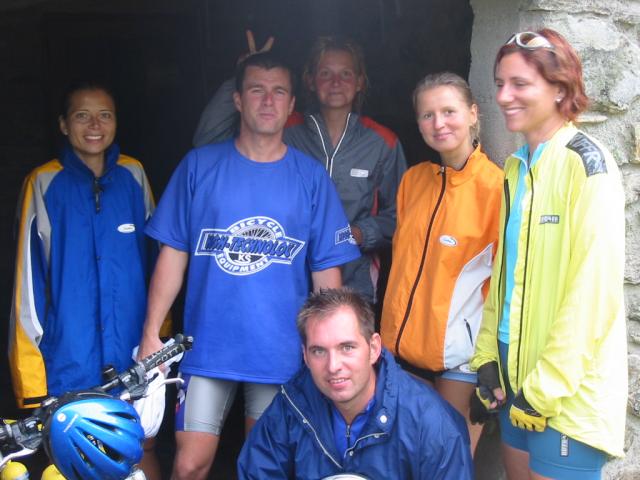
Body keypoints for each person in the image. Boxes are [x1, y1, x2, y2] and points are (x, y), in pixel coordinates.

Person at [137, 52, 360, 480]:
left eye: (279, 92)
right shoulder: (199, 166)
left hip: (280, 351)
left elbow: (326, 274)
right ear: (238, 99)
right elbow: (173, 255)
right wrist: (150, 334)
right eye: (257, 90)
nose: (268, 101)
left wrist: (328, 346)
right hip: (207, 348)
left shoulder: (311, 178)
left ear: (292, 103)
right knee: (189, 464)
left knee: (266, 470)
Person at [470, 29, 627, 479]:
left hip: (562, 390)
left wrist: (543, 390)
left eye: (520, 84)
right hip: (513, 374)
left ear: (560, 89)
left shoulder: (586, 164)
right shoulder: (517, 167)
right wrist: (487, 357)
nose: (504, 96)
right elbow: (506, 274)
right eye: (500, 83)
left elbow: (593, 294)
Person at [7, 82, 167, 478]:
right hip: (69, 359)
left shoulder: (133, 175)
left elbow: (160, 265)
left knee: (137, 450)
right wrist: (31, 380)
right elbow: (26, 288)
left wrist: (160, 343)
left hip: (132, 354)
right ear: (64, 124)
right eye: (82, 115)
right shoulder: (43, 183)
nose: (94, 125)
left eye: (104, 115)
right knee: (73, 464)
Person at [193, 31, 407, 303]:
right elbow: (207, 140)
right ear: (310, 80)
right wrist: (243, 74)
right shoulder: (285, 127)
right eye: (325, 73)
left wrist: (360, 233)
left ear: (360, 82)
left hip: (353, 282)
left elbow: (402, 215)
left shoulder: (382, 142)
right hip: (279, 276)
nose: (336, 82)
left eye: (346, 74)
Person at [380, 72, 503, 453]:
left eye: (449, 111)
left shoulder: (497, 188)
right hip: (402, 355)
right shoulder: (413, 180)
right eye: (427, 115)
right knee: (402, 463)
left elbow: (505, 284)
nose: (439, 123)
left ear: (473, 113)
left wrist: (494, 361)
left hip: (460, 361)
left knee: (448, 463)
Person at [237, 288, 474, 479]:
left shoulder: (432, 422)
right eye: (319, 351)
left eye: (347, 347)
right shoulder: (290, 406)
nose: (333, 366)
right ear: (305, 356)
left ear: (374, 348)